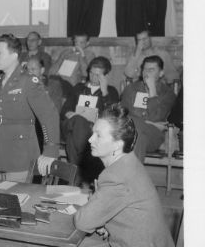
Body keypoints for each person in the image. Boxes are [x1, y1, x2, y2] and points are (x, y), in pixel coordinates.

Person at [74, 104, 174, 247]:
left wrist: (94, 206)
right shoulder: (129, 162)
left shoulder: (116, 176)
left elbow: (82, 222)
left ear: (117, 145)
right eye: (92, 133)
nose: (90, 139)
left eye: (98, 135)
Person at [0, 34, 60, 182]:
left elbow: (49, 115)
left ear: (14, 55)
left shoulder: (28, 81)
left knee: (16, 197)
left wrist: (51, 150)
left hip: (20, 152)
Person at [60, 57, 119, 184]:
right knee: (78, 122)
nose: (92, 77)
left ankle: (76, 178)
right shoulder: (78, 88)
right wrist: (72, 114)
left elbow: (113, 117)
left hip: (93, 133)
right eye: (91, 73)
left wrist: (104, 92)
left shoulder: (111, 92)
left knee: (72, 139)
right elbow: (64, 110)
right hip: (71, 124)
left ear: (105, 76)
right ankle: (87, 169)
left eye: (97, 75)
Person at [121, 55, 176, 161]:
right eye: (145, 69)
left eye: (151, 69)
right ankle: (133, 175)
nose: (147, 72)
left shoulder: (168, 93)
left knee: (135, 129)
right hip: (131, 134)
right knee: (137, 137)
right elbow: (122, 116)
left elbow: (155, 117)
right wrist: (148, 122)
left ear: (161, 73)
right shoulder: (131, 89)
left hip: (153, 136)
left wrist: (152, 90)